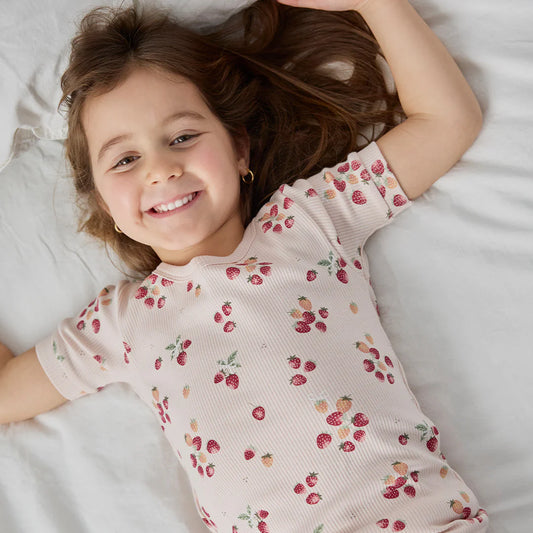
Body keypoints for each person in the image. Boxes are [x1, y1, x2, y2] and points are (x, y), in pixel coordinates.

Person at [0, 0, 487, 530]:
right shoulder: (120, 325)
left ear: (238, 149)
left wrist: (376, 3)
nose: (161, 170)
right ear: (103, 204)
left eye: (183, 137)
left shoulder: (310, 221)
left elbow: (447, 122)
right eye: (125, 160)